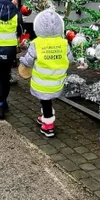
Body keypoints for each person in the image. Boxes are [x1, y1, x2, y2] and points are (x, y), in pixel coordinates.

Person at [19, 9, 72, 138]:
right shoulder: (64, 43)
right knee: (47, 100)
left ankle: (48, 125)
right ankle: (45, 116)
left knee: (45, 100)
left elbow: (29, 60)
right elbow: (70, 59)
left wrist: (22, 60)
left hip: (42, 81)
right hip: (57, 79)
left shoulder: (37, 43)